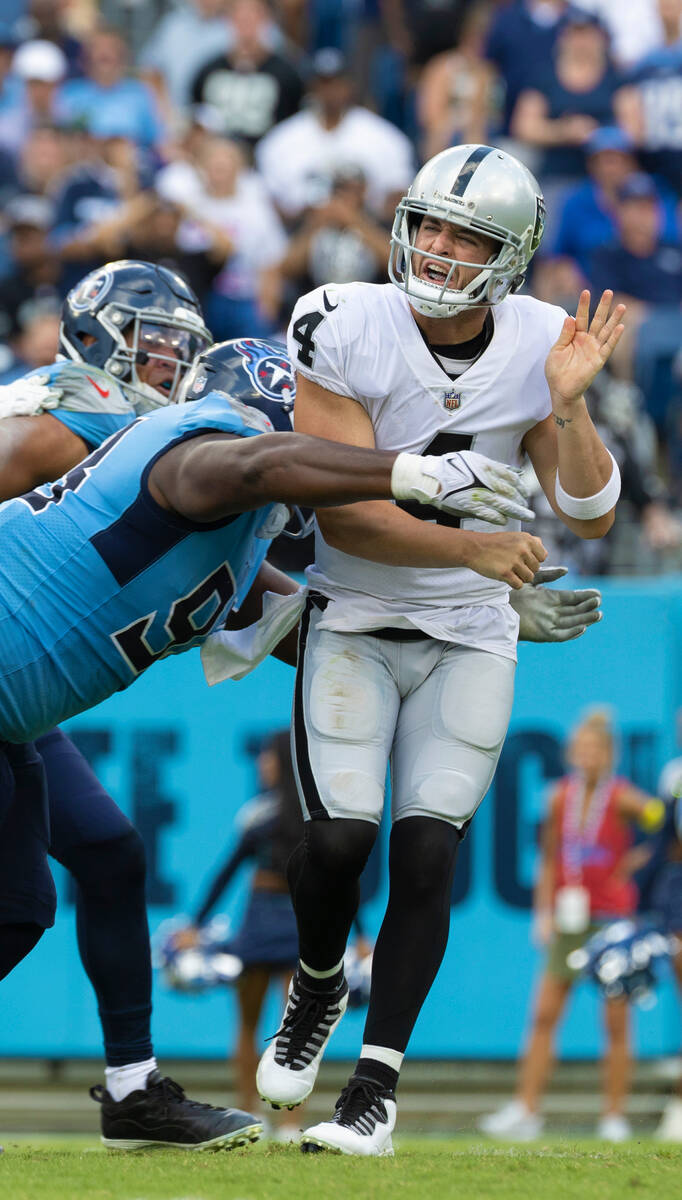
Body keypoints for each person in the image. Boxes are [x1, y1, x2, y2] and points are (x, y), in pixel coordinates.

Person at [254, 142, 625, 1157]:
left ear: (510, 256)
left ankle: (372, 1094)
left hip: (469, 634)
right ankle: (319, 981)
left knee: (426, 850)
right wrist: (475, 544)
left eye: (468, 237)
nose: (440, 248)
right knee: (337, 841)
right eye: (430, 224)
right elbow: (341, 513)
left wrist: (567, 401)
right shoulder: (343, 320)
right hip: (356, 614)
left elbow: (588, 511)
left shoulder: (540, 337)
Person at [0, 260, 267, 1154]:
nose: (165, 364)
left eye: (177, 351)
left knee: (97, 860)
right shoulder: (65, 406)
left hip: (15, 697)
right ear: (94, 337)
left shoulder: (166, 443)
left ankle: (133, 1090)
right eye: (151, 344)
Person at [479, 710, 665, 1142]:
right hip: (568, 921)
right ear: (571, 754)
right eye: (581, 750)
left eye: (596, 750)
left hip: (612, 923)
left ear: (610, 755)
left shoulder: (624, 798)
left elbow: (662, 824)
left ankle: (613, 1116)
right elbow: (548, 860)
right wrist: (542, 913)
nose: (588, 757)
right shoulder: (559, 797)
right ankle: (526, 1110)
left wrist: (635, 864)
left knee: (615, 1024)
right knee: (544, 1015)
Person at [186, 729, 304, 1128]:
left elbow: (226, 872)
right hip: (281, 921)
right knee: (286, 1027)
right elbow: (227, 872)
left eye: (269, 757)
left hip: (281, 920)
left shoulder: (280, 816)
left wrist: (355, 935)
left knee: (279, 1026)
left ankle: (268, 1116)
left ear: (284, 762)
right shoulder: (284, 816)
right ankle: (268, 1116)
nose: (262, 765)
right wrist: (195, 924)